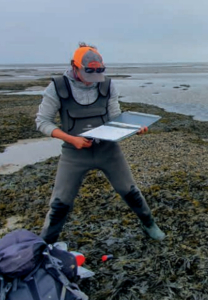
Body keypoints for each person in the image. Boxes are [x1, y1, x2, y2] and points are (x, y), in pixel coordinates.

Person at [35, 43, 165, 243]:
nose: (91, 82)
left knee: (130, 191)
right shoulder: (57, 87)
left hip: (107, 150)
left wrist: (134, 128)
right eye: (88, 75)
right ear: (75, 66)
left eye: (97, 75)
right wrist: (72, 139)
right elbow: (42, 122)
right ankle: (45, 244)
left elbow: (115, 117)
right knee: (60, 203)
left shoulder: (107, 84)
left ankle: (149, 224)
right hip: (74, 153)